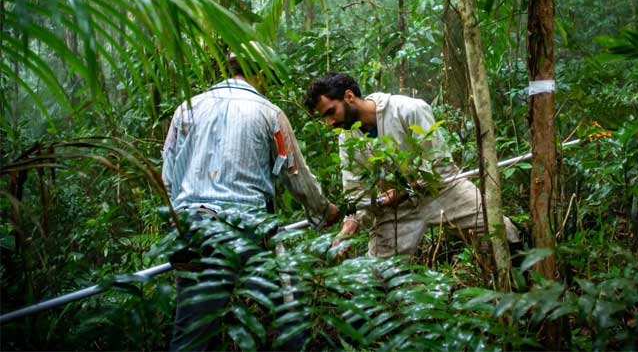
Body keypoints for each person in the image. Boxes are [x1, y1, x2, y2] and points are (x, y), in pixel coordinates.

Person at [162, 55, 338, 351]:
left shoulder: (186, 109)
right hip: (248, 228)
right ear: (259, 73)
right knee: (284, 312)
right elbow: (294, 174)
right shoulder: (269, 113)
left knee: (192, 329)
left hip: (193, 226)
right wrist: (323, 210)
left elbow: (168, 176)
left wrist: (179, 225)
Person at [304, 72, 519, 258]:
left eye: (331, 112)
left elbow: (438, 163)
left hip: (442, 190)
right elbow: (355, 190)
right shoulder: (347, 136)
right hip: (397, 210)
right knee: (376, 277)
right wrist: (348, 227)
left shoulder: (408, 110)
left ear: (349, 97)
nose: (330, 123)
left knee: (504, 231)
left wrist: (406, 189)